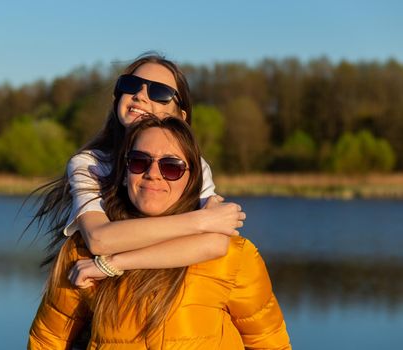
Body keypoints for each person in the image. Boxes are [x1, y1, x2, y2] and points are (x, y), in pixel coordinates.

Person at [28, 116, 291, 349]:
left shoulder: (234, 256)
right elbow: (47, 341)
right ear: (123, 172)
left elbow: (271, 345)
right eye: (140, 161)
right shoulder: (81, 250)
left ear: (193, 180)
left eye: (171, 167)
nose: (153, 174)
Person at [33, 53, 245, 276]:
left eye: (159, 92)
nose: (140, 95)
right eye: (131, 85)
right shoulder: (90, 164)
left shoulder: (195, 167)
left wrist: (116, 263)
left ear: (181, 116)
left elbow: (215, 244)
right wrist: (200, 221)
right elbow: (99, 239)